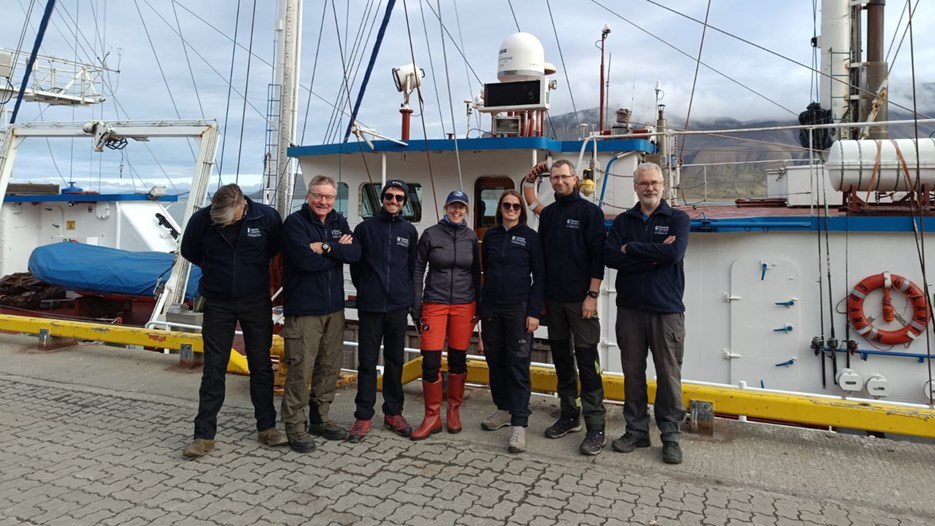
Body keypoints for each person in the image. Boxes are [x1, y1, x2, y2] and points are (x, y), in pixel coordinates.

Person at [180, 183, 287, 459]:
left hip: (255, 301)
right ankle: (203, 435)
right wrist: (219, 271)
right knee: (214, 368)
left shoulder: (266, 218)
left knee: (261, 365)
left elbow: (276, 248)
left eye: (229, 218)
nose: (223, 222)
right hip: (217, 302)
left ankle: (267, 428)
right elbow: (190, 251)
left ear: (242, 206)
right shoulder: (201, 220)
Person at [603, 162, 690, 465]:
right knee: (633, 374)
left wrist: (632, 249)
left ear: (663, 185)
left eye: (654, 183)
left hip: (666, 312)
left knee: (668, 376)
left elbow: (673, 254)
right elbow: (610, 256)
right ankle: (637, 430)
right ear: (635, 187)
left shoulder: (678, 218)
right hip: (630, 311)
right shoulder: (623, 221)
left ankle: (670, 437)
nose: (649, 188)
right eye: (643, 183)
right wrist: (651, 255)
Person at [529, 159, 608, 456]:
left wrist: (592, 294)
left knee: (588, 364)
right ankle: (569, 415)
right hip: (555, 301)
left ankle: (596, 426)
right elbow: (544, 257)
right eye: (555, 177)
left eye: (565, 177)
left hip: (581, 301)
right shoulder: (548, 215)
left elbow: (597, 256)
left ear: (575, 179)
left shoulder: (590, 212)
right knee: (562, 360)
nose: (560, 182)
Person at [279, 175, 361, 452]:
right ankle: (294, 425)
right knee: (301, 369)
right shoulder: (294, 224)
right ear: (309, 195)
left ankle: (320, 418)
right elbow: (303, 261)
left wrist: (325, 248)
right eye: (318, 196)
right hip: (304, 310)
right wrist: (338, 252)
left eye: (328, 197)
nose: (323, 202)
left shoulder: (338, 221)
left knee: (329, 366)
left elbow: (356, 254)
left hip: (334, 308)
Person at [348, 179, 418, 443]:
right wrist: (367, 288)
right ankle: (363, 415)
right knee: (366, 362)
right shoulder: (364, 229)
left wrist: (407, 297)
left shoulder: (409, 231)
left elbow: (411, 268)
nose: (393, 201)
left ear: (404, 202)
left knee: (395, 361)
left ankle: (393, 413)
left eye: (399, 198)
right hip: (370, 306)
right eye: (389, 196)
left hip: (398, 307)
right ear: (382, 197)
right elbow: (356, 268)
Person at [410, 190, 481, 440]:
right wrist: (416, 303)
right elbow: (418, 268)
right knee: (430, 361)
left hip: (464, 304)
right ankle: (431, 417)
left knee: (458, 359)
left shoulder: (470, 237)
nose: (457, 210)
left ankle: (453, 411)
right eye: (453, 206)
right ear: (446, 207)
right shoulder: (430, 234)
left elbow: (476, 272)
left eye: (461, 207)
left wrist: (479, 304)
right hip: (435, 303)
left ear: (467, 210)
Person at [479, 190, 545, 454]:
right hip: (492, 308)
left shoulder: (531, 238)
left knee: (518, 363)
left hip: (518, 308)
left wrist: (534, 312)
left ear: (522, 210)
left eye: (516, 206)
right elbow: (486, 271)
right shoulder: (491, 236)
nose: (511, 209)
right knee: (495, 360)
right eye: (506, 205)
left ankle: (519, 422)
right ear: (500, 208)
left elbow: (539, 276)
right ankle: (504, 408)